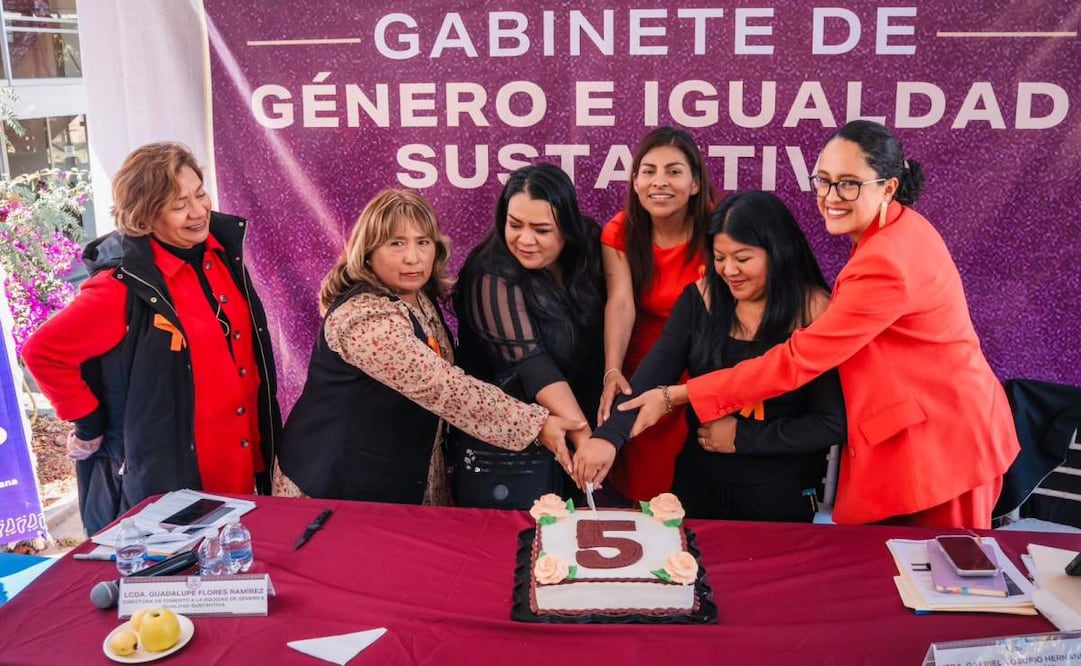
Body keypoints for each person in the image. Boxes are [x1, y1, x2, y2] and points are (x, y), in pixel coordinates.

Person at [614, 120, 1020, 529]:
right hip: (919, 434)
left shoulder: (885, 262)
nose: (830, 196)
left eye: (848, 184)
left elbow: (797, 359)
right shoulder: (893, 230)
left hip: (942, 444)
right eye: (823, 181)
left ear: (889, 187)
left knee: (945, 578)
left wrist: (678, 395)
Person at [21, 142, 282, 535]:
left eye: (200, 194)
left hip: (244, 463)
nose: (198, 212)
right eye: (179, 205)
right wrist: (89, 423)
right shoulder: (119, 288)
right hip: (181, 483)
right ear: (145, 216)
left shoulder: (220, 254)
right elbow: (42, 352)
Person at [278, 189, 585, 505]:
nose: (413, 257)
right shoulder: (364, 319)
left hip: (398, 479)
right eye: (396, 243)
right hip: (332, 487)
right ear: (367, 252)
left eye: (422, 242)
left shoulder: (418, 296)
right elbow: (444, 388)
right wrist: (536, 424)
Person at [576, 192, 845, 521]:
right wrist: (608, 436)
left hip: (780, 496)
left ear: (778, 252)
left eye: (743, 259)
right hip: (697, 486)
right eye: (719, 257)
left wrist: (742, 438)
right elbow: (653, 374)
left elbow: (830, 424)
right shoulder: (699, 298)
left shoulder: (815, 312)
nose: (729, 270)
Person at [453, 163, 605, 508]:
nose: (525, 239)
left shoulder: (591, 248)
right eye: (514, 224)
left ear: (568, 229)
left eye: (541, 229)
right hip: (513, 452)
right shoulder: (489, 274)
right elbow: (531, 363)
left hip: (583, 427)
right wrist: (586, 439)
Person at [589, 126, 718, 502]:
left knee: (691, 488)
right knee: (639, 488)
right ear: (634, 181)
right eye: (648, 171)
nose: (659, 182)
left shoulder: (716, 228)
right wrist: (613, 371)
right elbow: (621, 303)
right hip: (641, 368)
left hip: (698, 370)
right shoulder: (620, 231)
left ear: (695, 183)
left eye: (674, 171)